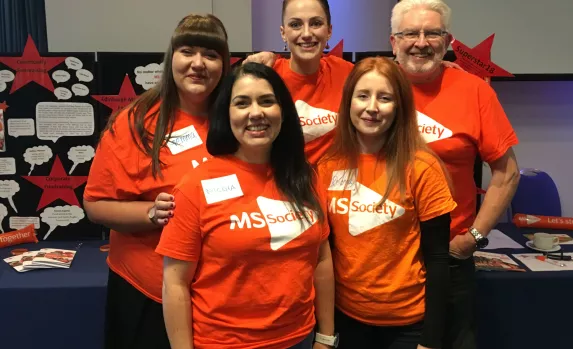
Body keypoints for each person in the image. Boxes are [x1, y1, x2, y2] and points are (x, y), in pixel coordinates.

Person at [155, 62, 336, 349]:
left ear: (283, 111)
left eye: (267, 101)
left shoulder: (305, 177)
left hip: (299, 338)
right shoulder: (195, 186)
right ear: (226, 114)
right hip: (223, 343)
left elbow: (322, 259)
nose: (256, 113)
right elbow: (174, 283)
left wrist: (326, 337)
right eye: (242, 103)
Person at [82, 14, 230, 349]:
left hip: (219, 297)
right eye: (187, 51)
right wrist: (151, 212)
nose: (198, 64)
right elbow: (94, 205)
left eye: (210, 54)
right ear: (170, 57)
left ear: (224, 63)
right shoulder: (136, 122)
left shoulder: (236, 119)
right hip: (148, 293)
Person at [390, 1, 521, 348]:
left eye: (432, 33)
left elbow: (507, 173)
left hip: (447, 257)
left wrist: (472, 239)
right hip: (379, 257)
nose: (421, 42)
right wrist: (266, 59)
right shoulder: (371, 86)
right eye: (410, 33)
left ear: (447, 41)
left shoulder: (474, 91)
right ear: (393, 42)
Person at [317, 56, 456, 349]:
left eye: (385, 98)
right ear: (349, 102)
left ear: (399, 107)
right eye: (363, 96)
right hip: (346, 318)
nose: (372, 107)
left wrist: (430, 341)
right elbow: (324, 253)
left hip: (407, 325)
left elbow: (439, 260)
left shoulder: (421, 167)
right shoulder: (329, 165)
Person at [245, 0, 463, 167]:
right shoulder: (265, 78)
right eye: (295, 24)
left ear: (329, 30)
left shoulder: (349, 74)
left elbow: (385, 73)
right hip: (280, 193)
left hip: (337, 197)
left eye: (316, 23)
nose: (306, 33)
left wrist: (433, 61)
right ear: (283, 32)